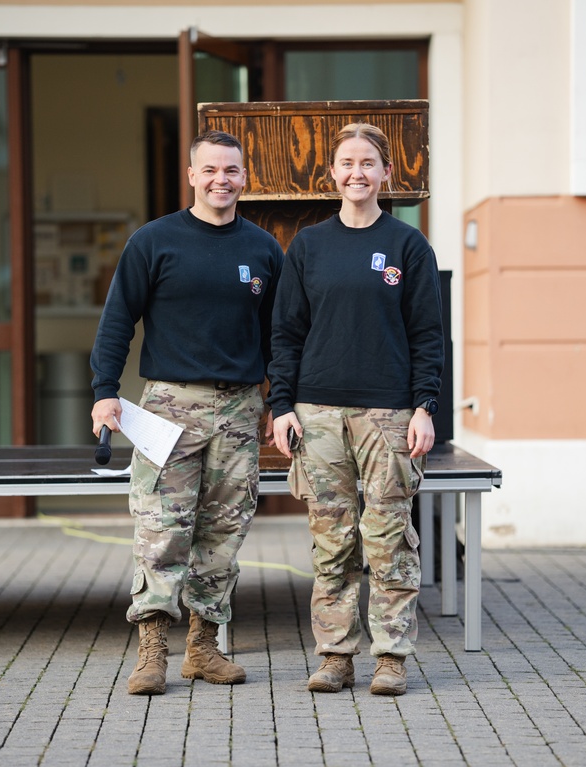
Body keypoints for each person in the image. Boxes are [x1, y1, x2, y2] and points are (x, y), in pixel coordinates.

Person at [90, 129, 283, 696]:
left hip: (240, 408)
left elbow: (279, 336)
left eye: (232, 171)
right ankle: (152, 651)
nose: (221, 180)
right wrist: (105, 390)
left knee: (223, 530)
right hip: (168, 406)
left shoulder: (263, 249)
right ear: (192, 176)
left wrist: (281, 400)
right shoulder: (154, 242)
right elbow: (116, 322)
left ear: (245, 177)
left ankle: (202, 649)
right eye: (211, 170)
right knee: (161, 529)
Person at [267, 122, 444, 696]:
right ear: (333, 174)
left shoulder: (408, 246)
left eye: (369, 162)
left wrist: (424, 405)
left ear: (386, 173)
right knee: (332, 540)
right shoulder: (310, 247)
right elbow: (286, 334)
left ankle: (390, 656)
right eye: (347, 163)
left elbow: (427, 334)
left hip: (388, 414)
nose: (357, 172)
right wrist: (282, 405)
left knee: (389, 536)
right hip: (317, 414)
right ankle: (335, 656)